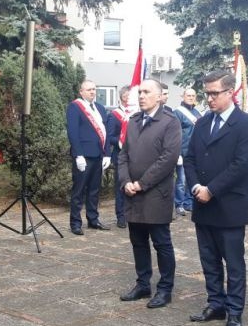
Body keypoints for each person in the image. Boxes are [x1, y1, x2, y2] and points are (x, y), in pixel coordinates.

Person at [184, 71, 248, 326]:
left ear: (230, 93)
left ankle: (234, 310)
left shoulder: (246, 124)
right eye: (207, 94)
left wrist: (212, 189)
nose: (210, 99)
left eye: (215, 93)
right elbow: (190, 157)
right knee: (209, 259)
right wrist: (195, 186)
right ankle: (215, 303)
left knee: (233, 262)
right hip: (202, 202)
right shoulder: (203, 123)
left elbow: (242, 165)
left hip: (229, 204)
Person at [118, 80, 182, 308]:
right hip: (132, 193)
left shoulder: (169, 122)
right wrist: (125, 181)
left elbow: (168, 159)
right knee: (138, 241)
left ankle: (165, 289)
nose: (141, 96)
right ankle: (143, 284)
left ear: (159, 97)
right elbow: (123, 154)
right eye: (140, 92)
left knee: (161, 242)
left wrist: (141, 184)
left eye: (146, 92)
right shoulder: (134, 121)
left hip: (155, 194)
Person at [66, 80, 112, 235]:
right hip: (83, 157)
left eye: (94, 89)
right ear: (81, 91)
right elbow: (73, 133)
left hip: (98, 155)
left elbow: (105, 132)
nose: (93, 92)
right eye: (89, 89)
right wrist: (78, 154)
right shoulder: (75, 107)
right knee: (78, 191)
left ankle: (93, 219)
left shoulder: (99, 108)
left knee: (94, 190)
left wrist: (107, 154)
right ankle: (75, 223)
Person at [109, 86, 134, 229]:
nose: (129, 97)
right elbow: (110, 136)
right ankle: (121, 216)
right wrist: (119, 141)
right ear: (122, 96)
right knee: (120, 187)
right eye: (127, 95)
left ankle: (131, 214)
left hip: (136, 156)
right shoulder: (114, 115)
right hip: (120, 155)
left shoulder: (135, 113)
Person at [174, 88, 200, 217]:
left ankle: (189, 203)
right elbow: (176, 134)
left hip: (195, 152)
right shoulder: (178, 113)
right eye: (188, 95)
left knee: (192, 179)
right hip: (183, 151)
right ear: (182, 96)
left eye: (193, 95)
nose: (190, 97)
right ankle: (179, 204)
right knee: (181, 181)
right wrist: (177, 153)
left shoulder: (196, 112)